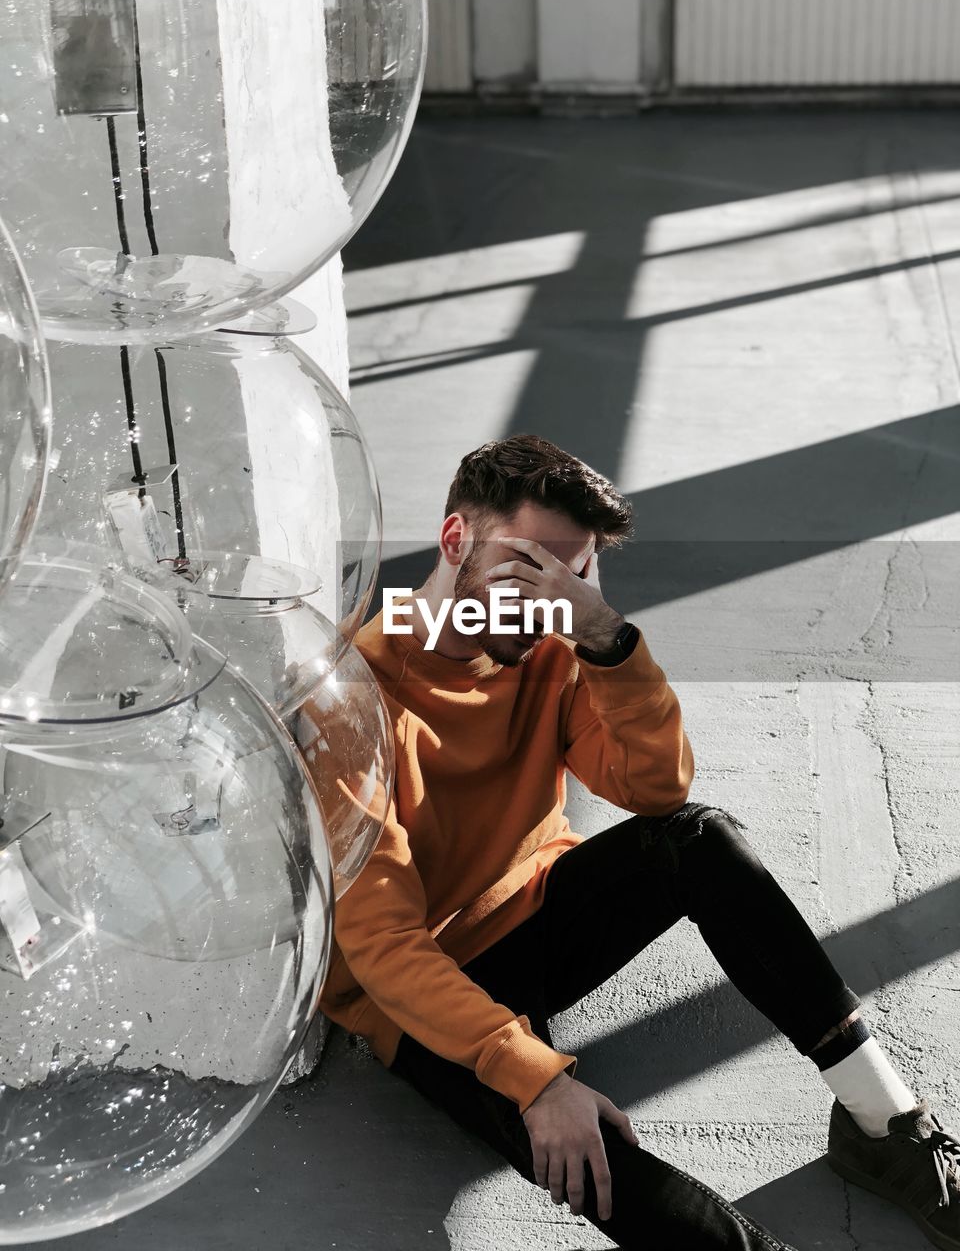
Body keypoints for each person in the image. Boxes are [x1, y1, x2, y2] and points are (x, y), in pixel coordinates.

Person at [315, 433, 959, 1250]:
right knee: (575, 1142)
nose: (542, 602)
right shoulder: (356, 701)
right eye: (525, 569)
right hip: (419, 994)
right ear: (455, 542)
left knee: (699, 840)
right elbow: (384, 946)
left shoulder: (554, 640)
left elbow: (656, 791)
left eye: (568, 576)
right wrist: (534, 1078)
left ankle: (886, 1126)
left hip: (537, 910)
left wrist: (608, 643)